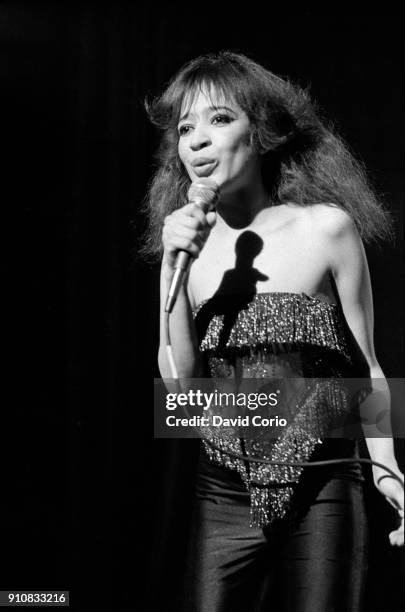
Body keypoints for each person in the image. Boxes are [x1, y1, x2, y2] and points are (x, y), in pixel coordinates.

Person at [142, 51, 404, 611]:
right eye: (185, 128)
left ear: (259, 132)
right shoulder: (190, 251)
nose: (197, 141)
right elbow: (182, 395)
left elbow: (368, 368)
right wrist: (171, 264)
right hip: (223, 489)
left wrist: (388, 468)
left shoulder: (326, 227)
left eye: (218, 119)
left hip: (325, 479)